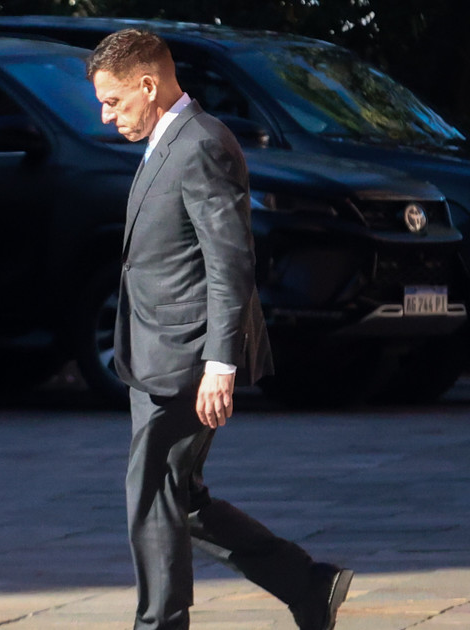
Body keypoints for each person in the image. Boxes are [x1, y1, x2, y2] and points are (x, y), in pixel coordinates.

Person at [87, 29, 352, 630]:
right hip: (154, 352)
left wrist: (219, 364)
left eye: (113, 102)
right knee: (178, 495)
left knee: (152, 492)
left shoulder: (202, 144)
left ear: (148, 85)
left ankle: (160, 623)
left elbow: (230, 262)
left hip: (186, 357)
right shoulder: (167, 140)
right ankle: (307, 584)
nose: (106, 116)